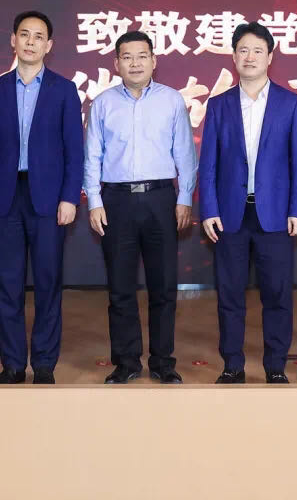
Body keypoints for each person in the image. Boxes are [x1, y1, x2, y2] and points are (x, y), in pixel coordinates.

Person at [0, 11, 84, 384]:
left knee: (49, 283)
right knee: (8, 284)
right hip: (6, 197)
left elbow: (75, 150)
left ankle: (45, 364)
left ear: (49, 46)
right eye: (25, 34)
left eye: (39, 36)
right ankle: (13, 364)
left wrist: (70, 197)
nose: (31, 42)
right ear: (13, 40)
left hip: (49, 200)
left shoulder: (64, 90)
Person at [199, 23, 297, 384]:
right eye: (243, 50)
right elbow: (209, 163)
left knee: (277, 294)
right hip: (230, 215)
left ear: (270, 57)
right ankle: (232, 364)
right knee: (229, 295)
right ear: (234, 56)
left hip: (275, 214)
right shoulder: (219, 105)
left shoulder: (289, 103)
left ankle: (275, 366)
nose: (249, 57)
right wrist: (209, 209)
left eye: (257, 51)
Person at [84, 30, 197, 384]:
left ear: (154, 61)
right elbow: (92, 156)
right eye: (127, 57)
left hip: (161, 199)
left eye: (142, 56)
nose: (135, 63)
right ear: (116, 63)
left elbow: (185, 154)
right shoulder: (103, 103)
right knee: (120, 288)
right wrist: (94, 201)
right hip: (116, 201)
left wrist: (184, 198)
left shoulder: (172, 100)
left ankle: (163, 361)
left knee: (163, 286)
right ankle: (127, 361)